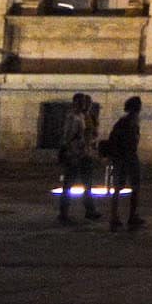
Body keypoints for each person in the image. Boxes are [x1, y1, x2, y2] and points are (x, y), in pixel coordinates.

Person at [103, 95, 145, 231]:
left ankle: (129, 215)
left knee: (132, 186)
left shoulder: (130, 121)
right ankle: (116, 216)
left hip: (128, 156)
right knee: (122, 186)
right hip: (124, 157)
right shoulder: (126, 122)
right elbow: (118, 140)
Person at [55, 93, 99, 223]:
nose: (83, 105)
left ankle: (90, 210)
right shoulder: (72, 117)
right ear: (74, 103)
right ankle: (64, 213)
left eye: (84, 102)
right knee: (68, 184)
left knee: (87, 184)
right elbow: (67, 136)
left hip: (84, 153)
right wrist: (69, 151)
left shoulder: (83, 116)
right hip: (74, 154)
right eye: (80, 102)